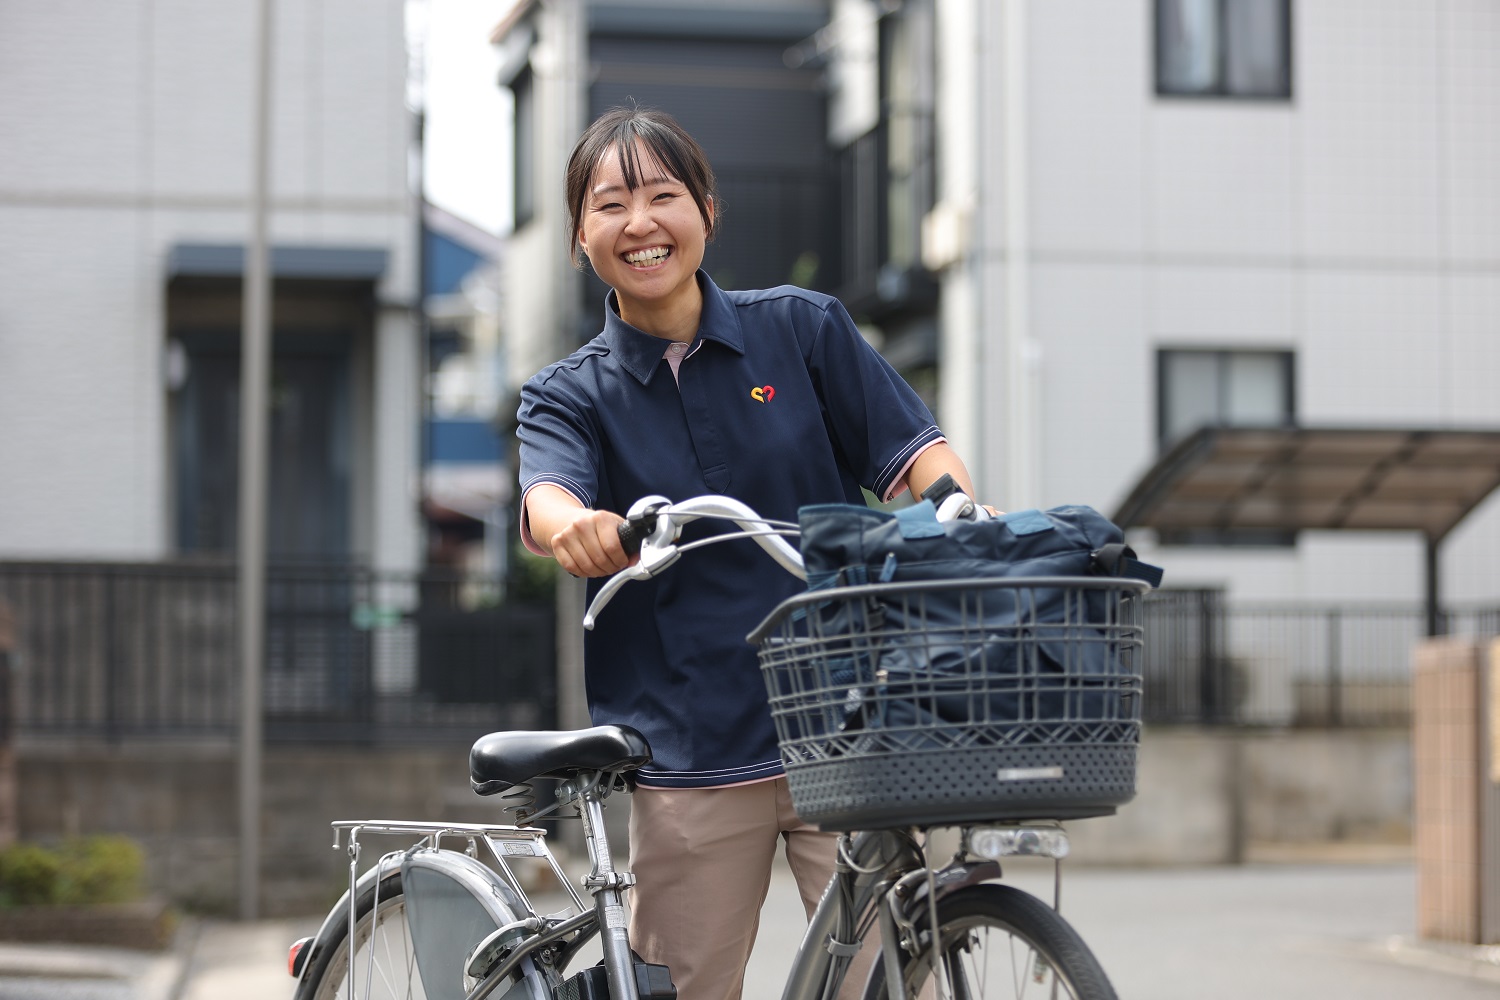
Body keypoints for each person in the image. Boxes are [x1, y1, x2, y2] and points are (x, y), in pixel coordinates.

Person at [516, 106, 989, 1000]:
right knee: (686, 988)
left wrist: (956, 503)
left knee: (895, 981)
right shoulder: (568, 393)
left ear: (706, 210)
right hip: (690, 747)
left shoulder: (802, 331)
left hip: (843, 723)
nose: (641, 224)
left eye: (663, 195)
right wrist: (571, 523)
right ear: (581, 236)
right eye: (611, 204)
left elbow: (913, 453)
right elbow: (549, 497)